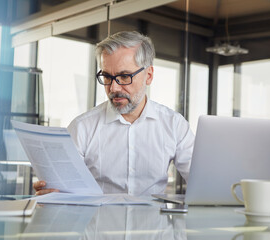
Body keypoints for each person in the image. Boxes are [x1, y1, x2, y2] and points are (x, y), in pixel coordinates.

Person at [34, 31, 194, 196]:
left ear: (149, 75)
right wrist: (51, 193)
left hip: (152, 222)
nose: (114, 88)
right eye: (107, 77)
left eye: (124, 76)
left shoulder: (174, 125)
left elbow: (204, 183)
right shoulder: (82, 128)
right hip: (98, 221)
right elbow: (62, 192)